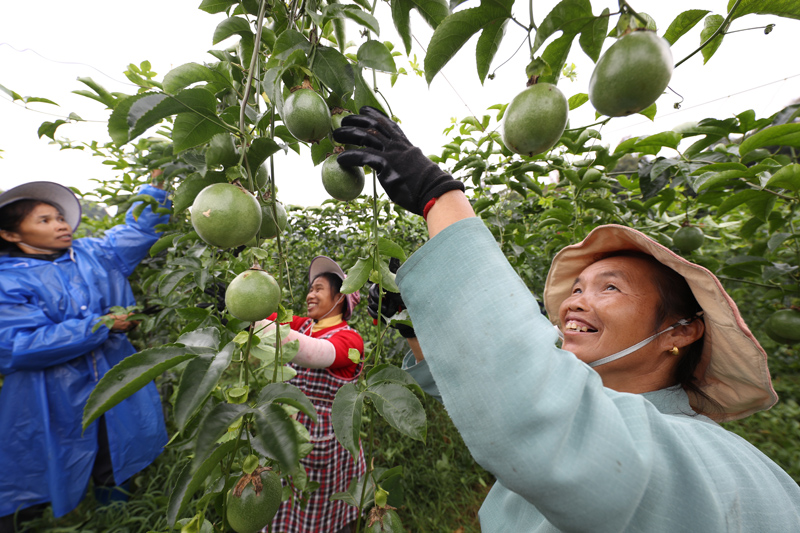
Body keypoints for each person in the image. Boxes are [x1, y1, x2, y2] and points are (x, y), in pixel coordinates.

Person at [334, 107, 800, 531]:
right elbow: (479, 386)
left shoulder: (704, 458)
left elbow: (532, 405)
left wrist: (440, 197)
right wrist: (416, 327)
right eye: (576, 289)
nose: (576, 302)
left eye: (609, 288)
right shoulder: (607, 409)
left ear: (680, 330)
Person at [0, 176, 170, 531]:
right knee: (43, 465)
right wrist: (101, 325)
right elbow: (19, 345)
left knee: (113, 454)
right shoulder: (8, 280)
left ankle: (115, 521)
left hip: (110, 377)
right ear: (12, 234)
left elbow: (136, 231)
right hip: (48, 392)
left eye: (59, 216)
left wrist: (155, 189)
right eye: (44, 220)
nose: (61, 224)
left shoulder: (95, 254)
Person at [256, 256, 365, 533]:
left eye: (318, 288)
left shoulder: (349, 338)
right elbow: (264, 315)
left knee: (318, 515)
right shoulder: (303, 325)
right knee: (282, 509)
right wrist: (245, 287)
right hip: (288, 433)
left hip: (324, 443)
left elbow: (310, 352)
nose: (310, 294)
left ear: (339, 297)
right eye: (310, 288)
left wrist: (256, 322)